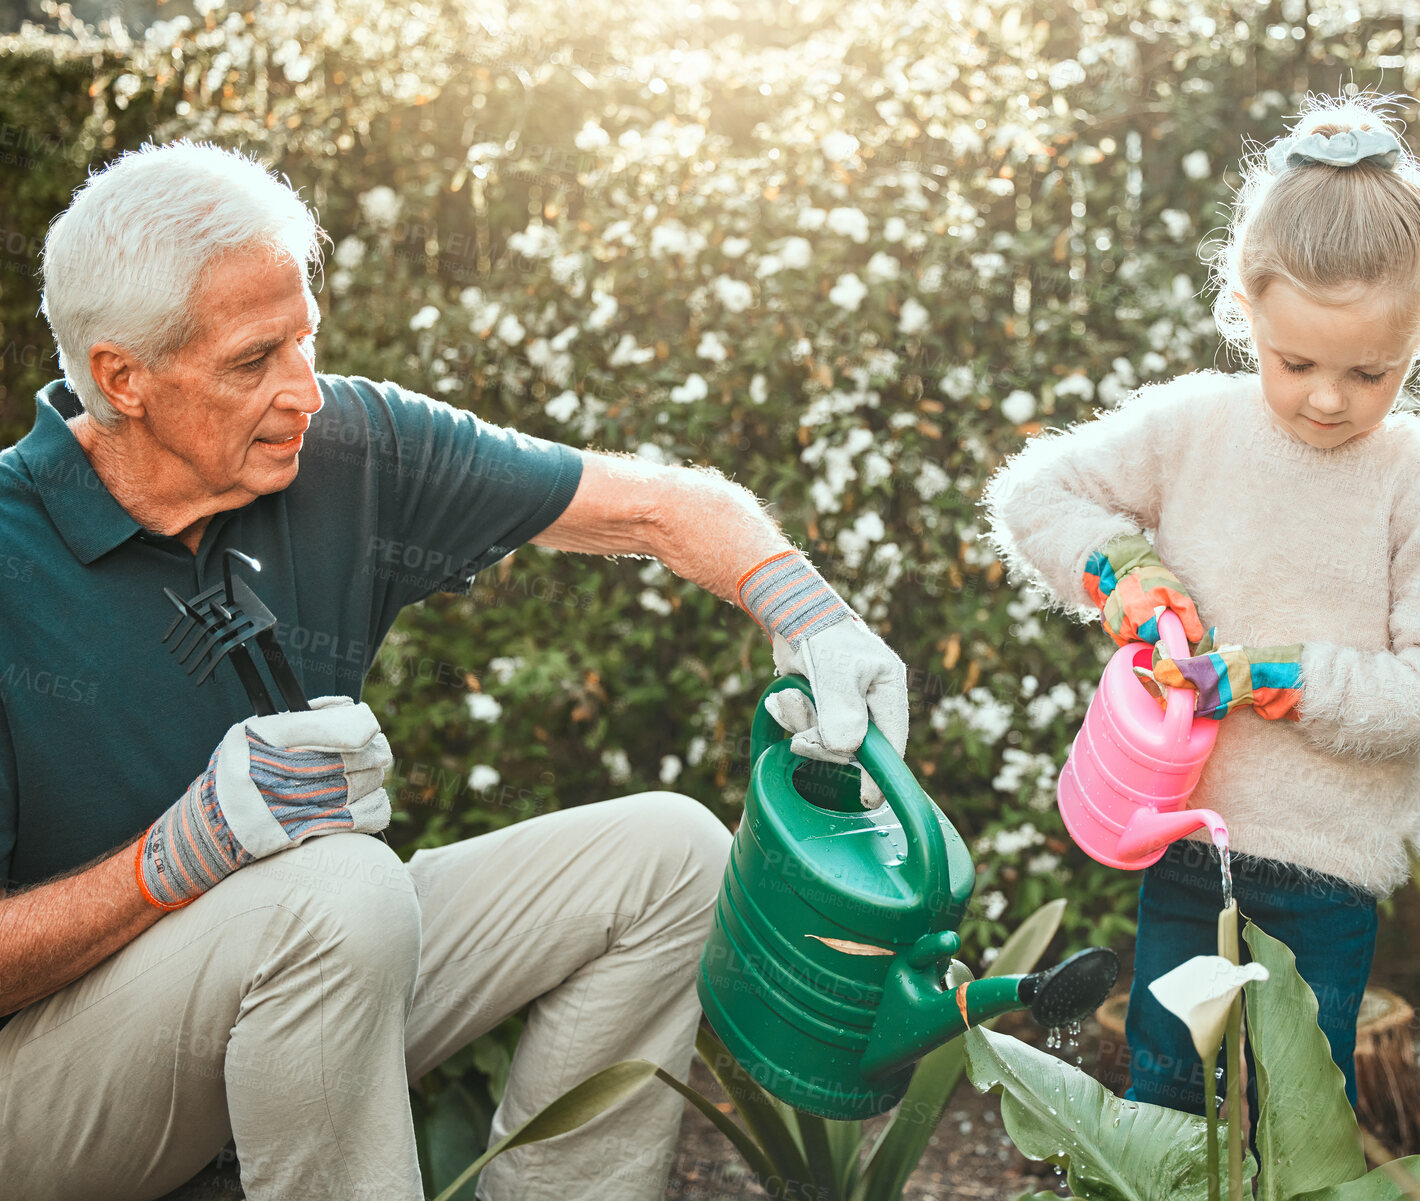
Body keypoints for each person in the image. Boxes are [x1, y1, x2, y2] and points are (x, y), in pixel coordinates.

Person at [0, 140, 908, 1201]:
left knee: (666, 857)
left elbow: (660, 505)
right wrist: (177, 856)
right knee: (337, 890)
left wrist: (811, 613)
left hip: (313, 969)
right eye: (255, 360)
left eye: (306, 340)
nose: (306, 392)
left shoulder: (340, 448)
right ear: (124, 378)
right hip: (47, 1097)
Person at [982, 96, 1420, 1122]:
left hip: (1325, 875)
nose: (1325, 398)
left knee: (1293, 1125)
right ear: (1244, 306)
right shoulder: (1192, 428)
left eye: (1369, 370)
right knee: (1163, 1100)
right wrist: (1118, 568)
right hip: (1185, 845)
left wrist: (1283, 677)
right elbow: (1031, 496)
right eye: (1294, 361)